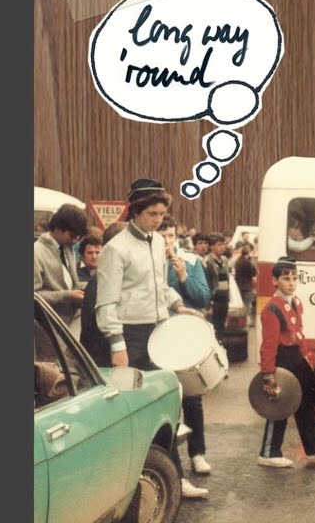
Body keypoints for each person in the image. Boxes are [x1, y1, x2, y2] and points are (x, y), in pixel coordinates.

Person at [94, 178, 209, 500]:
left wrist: (179, 306)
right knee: (130, 412)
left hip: (158, 334)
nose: (158, 220)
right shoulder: (115, 249)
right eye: (152, 214)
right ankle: (123, 485)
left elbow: (162, 287)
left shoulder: (158, 243)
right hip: (129, 338)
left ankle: (173, 478)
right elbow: (106, 303)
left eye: (161, 214)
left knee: (165, 408)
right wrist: (117, 345)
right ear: (136, 211)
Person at [257, 257, 315, 467]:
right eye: (286, 279)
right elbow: (268, 346)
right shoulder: (271, 309)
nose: (292, 283)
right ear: (275, 281)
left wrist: (305, 357)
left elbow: (299, 333)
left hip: (295, 357)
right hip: (281, 358)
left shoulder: (296, 302)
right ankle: (268, 453)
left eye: (295, 278)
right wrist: (268, 374)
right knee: (279, 403)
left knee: (304, 399)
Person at [159, 217, 215, 477]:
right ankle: (167, 461)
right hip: (159, 335)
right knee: (164, 398)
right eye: (163, 237)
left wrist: (183, 276)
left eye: (171, 236)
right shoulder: (149, 261)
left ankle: (197, 453)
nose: (167, 242)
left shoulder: (191, 260)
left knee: (192, 396)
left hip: (185, 334)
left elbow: (203, 297)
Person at [33, 203, 89, 334]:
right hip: (48, 328)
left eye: (79, 237)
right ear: (57, 229)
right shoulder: (36, 252)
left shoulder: (67, 247)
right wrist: (67, 296)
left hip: (70, 323)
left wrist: (90, 286)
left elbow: (70, 283)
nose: (75, 241)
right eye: (72, 235)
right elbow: (35, 296)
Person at [75, 233, 110, 367]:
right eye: (90, 253)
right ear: (82, 255)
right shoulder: (74, 272)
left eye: (98, 252)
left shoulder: (108, 272)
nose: (94, 257)